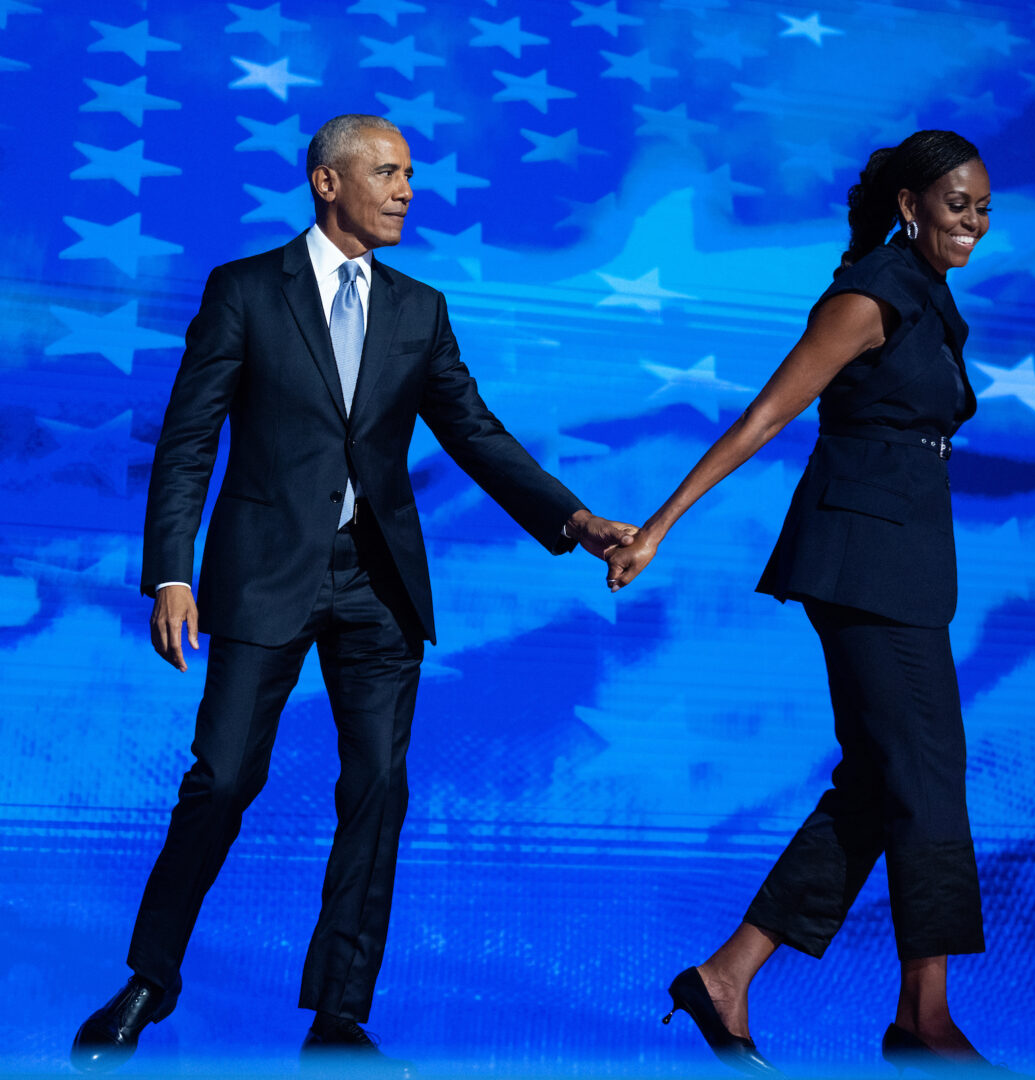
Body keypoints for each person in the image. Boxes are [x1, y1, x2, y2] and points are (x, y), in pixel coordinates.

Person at [71, 113, 635, 1074]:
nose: (407, 189)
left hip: (377, 582)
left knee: (377, 788)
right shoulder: (245, 290)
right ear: (327, 183)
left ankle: (339, 1013)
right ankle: (151, 979)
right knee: (222, 781)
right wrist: (172, 570)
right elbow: (188, 442)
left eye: (411, 173)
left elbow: (478, 435)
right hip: (261, 578)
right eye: (387, 172)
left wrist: (576, 523)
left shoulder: (420, 308)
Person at [605, 130, 997, 1074]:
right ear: (911, 206)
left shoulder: (929, 298)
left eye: (985, 209)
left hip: (903, 564)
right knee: (928, 770)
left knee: (881, 780)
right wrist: (659, 525)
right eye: (957, 206)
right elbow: (767, 414)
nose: (974, 224)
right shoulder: (870, 293)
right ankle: (923, 1018)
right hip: (862, 564)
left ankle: (729, 974)